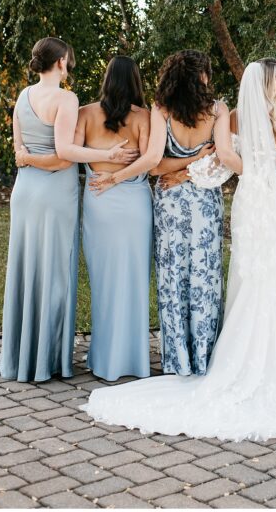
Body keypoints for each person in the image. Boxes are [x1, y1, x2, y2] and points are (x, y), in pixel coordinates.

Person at [82, 59, 276, 441]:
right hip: (272, 193)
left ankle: (206, 357)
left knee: (274, 268)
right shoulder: (266, 114)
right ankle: (226, 352)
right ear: (271, 81)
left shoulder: (247, 115)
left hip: (262, 197)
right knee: (250, 269)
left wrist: (200, 171)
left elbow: (229, 160)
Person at [0, 37, 137, 382]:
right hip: (54, 194)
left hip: (25, 189)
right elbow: (65, 152)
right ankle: (46, 361)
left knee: (26, 270)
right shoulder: (66, 98)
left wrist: (28, 159)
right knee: (55, 271)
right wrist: (107, 156)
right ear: (61, 62)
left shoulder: (22, 96)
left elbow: (19, 149)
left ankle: (20, 359)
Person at [91, 50, 231, 376]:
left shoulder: (161, 110)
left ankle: (178, 362)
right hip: (205, 204)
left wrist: (176, 169)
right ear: (203, 77)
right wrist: (196, 160)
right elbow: (220, 158)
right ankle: (206, 359)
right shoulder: (218, 111)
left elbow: (154, 164)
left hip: (171, 204)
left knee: (172, 279)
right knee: (205, 279)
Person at [78, 56, 153, 380]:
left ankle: (104, 358)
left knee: (103, 281)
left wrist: (105, 171)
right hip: (134, 203)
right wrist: (120, 175)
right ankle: (133, 360)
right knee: (134, 280)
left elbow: (70, 151)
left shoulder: (85, 113)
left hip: (99, 201)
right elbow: (150, 162)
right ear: (136, 81)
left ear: (106, 79)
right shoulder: (143, 117)